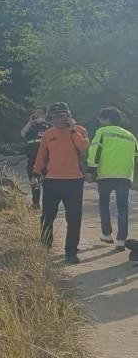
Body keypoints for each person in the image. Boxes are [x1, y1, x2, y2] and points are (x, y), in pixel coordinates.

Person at [34, 102, 89, 264]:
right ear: (50, 118)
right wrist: (35, 173)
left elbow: (84, 147)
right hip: (52, 181)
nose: (58, 120)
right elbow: (41, 155)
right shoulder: (47, 134)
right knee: (47, 217)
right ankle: (45, 249)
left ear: (68, 116)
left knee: (73, 218)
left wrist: (72, 130)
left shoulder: (79, 130)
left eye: (62, 116)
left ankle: (71, 252)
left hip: (74, 181)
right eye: (55, 117)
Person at [87, 107, 137, 250]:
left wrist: (91, 170)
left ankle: (106, 233)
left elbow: (95, 151)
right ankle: (121, 239)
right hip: (125, 176)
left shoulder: (102, 132)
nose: (99, 121)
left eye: (101, 118)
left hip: (106, 175)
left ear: (107, 119)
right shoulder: (130, 136)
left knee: (104, 203)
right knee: (123, 208)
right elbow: (135, 156)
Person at [21, 107, 51, 209]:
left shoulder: (48, 126)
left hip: (47, 158)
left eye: (39, 113)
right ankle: (35, 203)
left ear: (44, 114)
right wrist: (30, 122)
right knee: (34, 181)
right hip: (32, 157)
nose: (37, 115)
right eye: (35, 113)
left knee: (47, 182)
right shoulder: (31, 127)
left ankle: (48, 202)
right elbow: (22, 133)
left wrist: (43, 122)